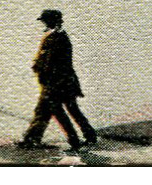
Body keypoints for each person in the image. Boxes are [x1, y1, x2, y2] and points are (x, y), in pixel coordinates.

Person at [19, 9, 96, 150]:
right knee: (67, 109)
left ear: (50, 21)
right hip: (64, 82)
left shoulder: (56, 37)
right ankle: (88, 135)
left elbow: (50, 62)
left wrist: (39, 69)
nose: (43, 22)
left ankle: (75, 141)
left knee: (56, 110)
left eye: (45, 20)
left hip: (56, 83)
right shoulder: (57, 35)